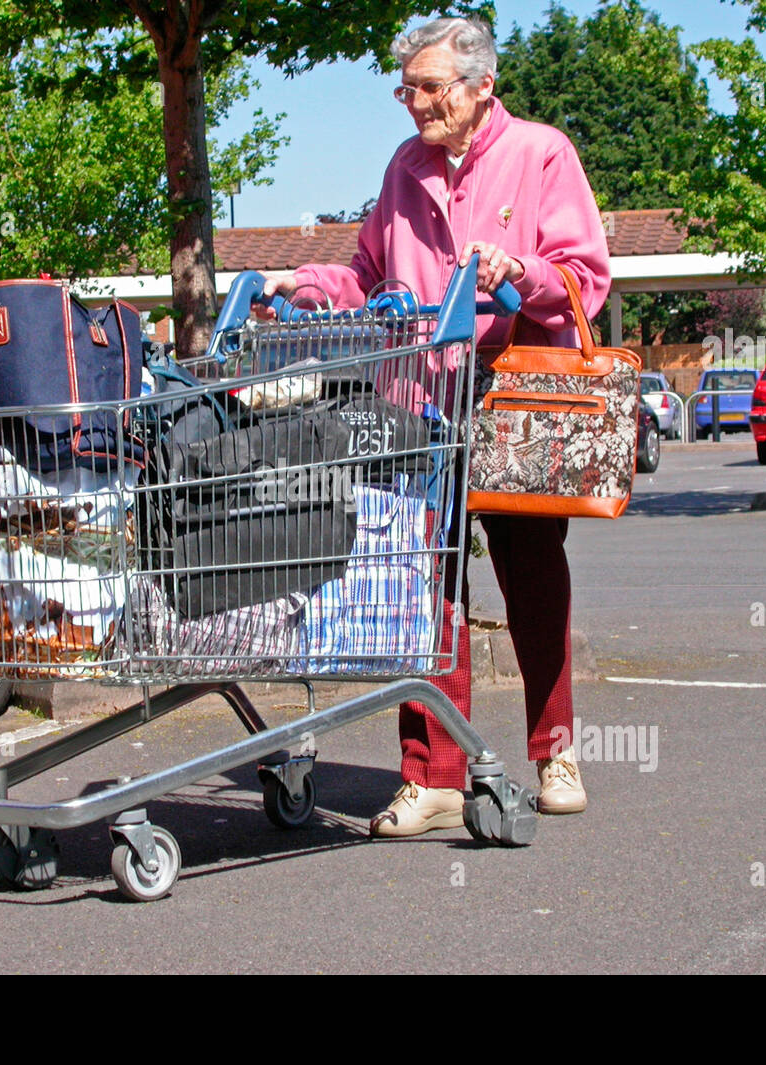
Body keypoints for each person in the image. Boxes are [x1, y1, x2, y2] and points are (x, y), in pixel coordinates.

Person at [263, 16, 611, 835]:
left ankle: (554, 749)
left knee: (532, 575)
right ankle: (433, 774)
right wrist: (307, 283)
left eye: (429, 87)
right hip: (422, 398)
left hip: (515, 393)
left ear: (482, 85)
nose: (414, 103)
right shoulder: (404, 167)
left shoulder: (540, 152)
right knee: (423, 584)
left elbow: (586, 273)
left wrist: (521, 270)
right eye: (405, 89)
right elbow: (367, 274)